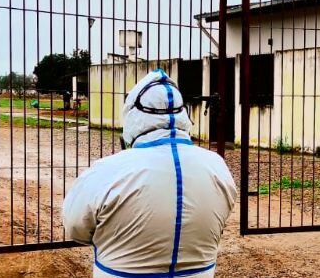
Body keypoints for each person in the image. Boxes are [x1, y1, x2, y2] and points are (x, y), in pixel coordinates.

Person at [63, 69, 237, 277]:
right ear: (184, 115)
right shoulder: (217, 166)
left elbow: (75, 227)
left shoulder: (106, 170)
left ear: (133, 116)